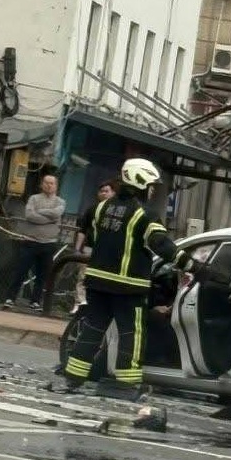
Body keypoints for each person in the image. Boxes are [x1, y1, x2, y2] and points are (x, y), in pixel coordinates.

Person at [61, 158, 199, 401]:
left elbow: (94, 239)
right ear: (141, 183)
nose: (153, 189)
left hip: (96, 281)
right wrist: (196, 267)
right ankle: (125, 384)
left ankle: (74, 376)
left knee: (93, 328)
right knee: (131, 333)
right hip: (128, 286)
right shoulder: (144, 215)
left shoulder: (99, 208)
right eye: (151, 184)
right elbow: (164, 247)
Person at [4, 173, 65, 311]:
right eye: (46, 182)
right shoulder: (33, 198)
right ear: (41, 184)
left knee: (42, 275)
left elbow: (57, 213)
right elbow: (30, 216)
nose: (49, 185)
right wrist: (49, 218)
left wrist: (41, 212)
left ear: (56, 186)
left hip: (49, 243)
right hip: (30, 241)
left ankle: (35, 301)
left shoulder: (60, 201)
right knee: (20, 271)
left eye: (52, 183)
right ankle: (10, 298)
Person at [72, 179, 119, 313]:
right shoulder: (92, 209)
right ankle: (79, 303)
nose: (104, 194)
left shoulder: (116, 211)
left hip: (107, 251)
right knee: (83, 276)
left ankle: (95, 306)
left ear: (113, 193)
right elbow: (82, 230)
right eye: (102, 191)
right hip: (89, 248)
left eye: (107, 191)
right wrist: (77, 248)